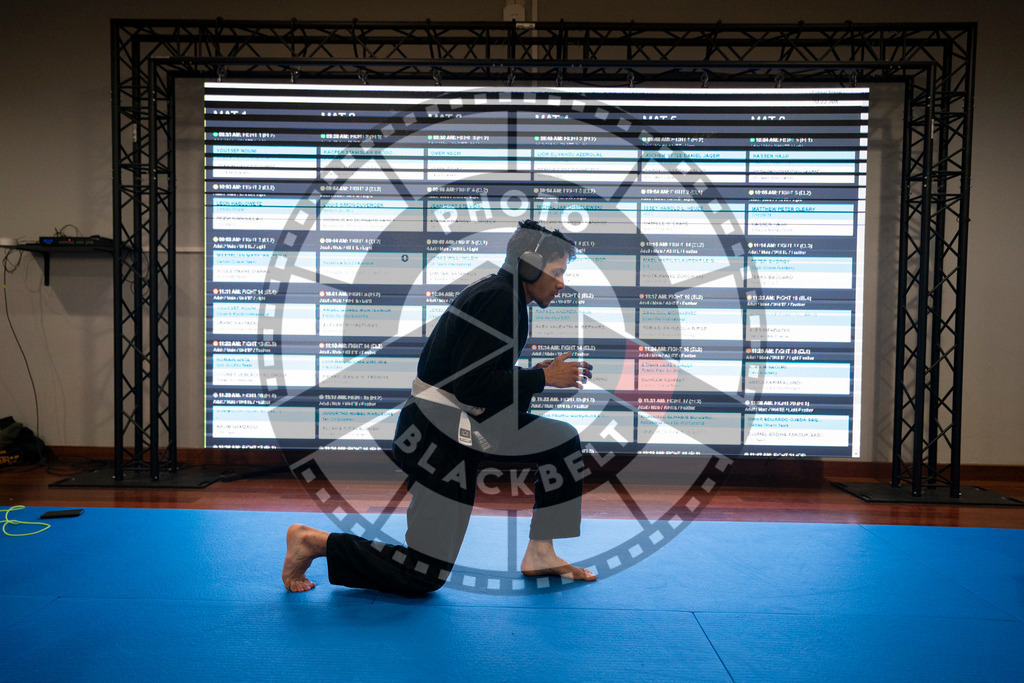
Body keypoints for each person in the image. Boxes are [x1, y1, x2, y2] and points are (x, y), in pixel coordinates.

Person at [283, 219, 595, 594]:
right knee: (424, 574)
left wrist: (532, 375)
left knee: (560, 440)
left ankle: (541, 553)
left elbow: (470, 374)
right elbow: (471, 385)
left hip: (458, 425)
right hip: (438, 436)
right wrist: (541, 379)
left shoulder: (503, 295)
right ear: (529, 266)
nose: (561, 283)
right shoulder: (499, 300)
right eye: (557, 272)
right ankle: (313, 542)